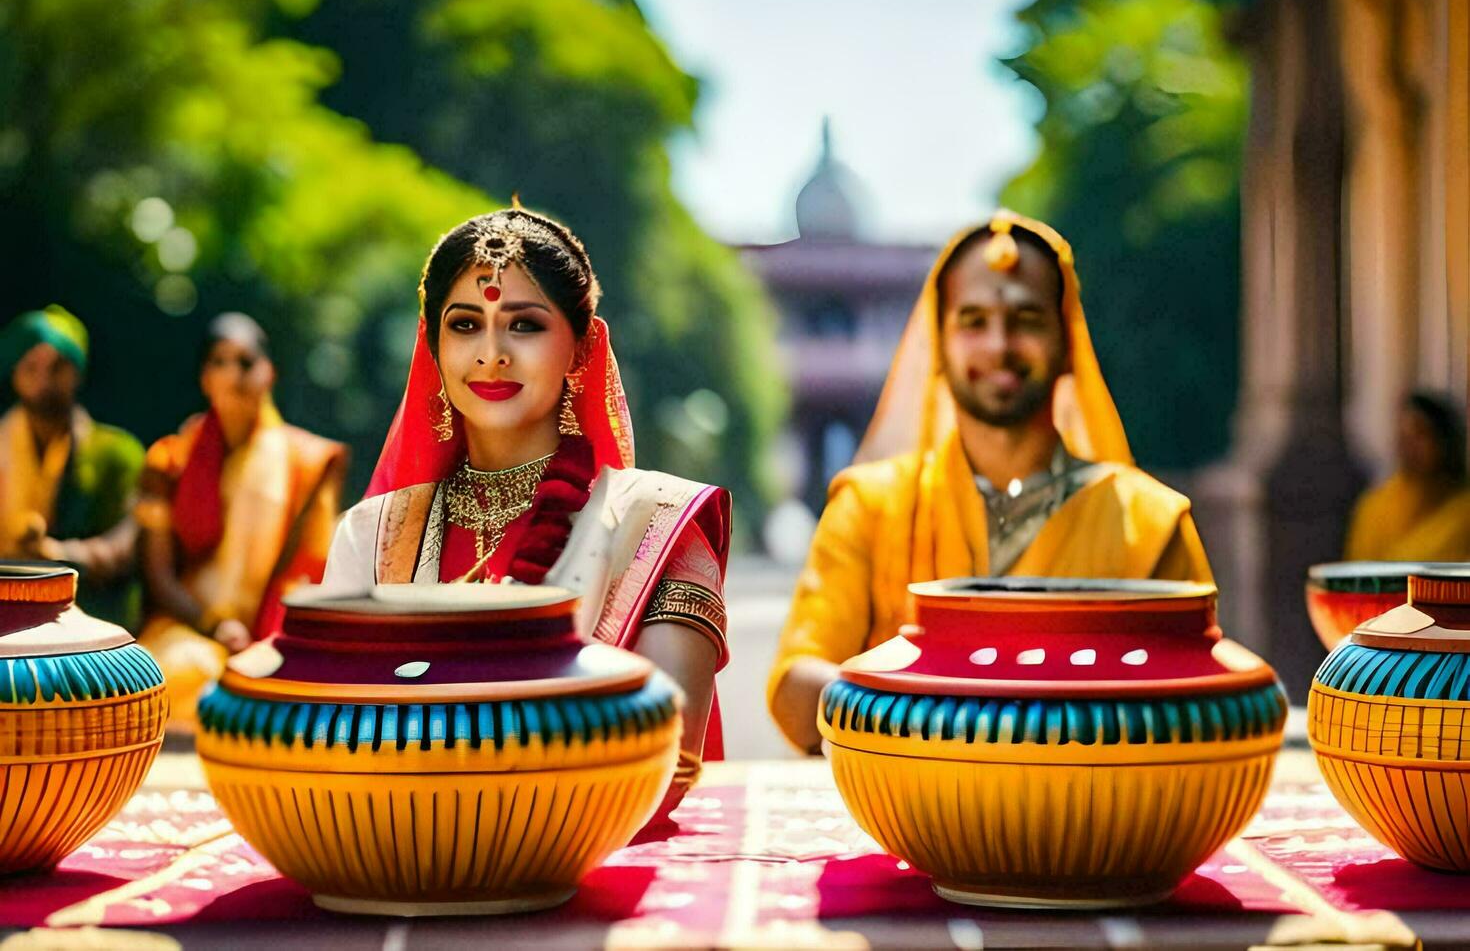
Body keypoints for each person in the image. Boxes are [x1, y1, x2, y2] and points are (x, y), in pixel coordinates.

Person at [322, 207, 731, 818]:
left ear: (581, 347)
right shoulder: (372, 534)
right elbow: (323, 733)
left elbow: (665, 758)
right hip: (396, 850)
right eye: (464, 325)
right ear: (432, 347)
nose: (491, 354)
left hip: (583, 870)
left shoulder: (658, 525)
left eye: (525, 326)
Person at [768, 211, 1213, 753]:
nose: (999, 345)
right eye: (973, 320)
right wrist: (964, 721)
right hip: (908, 821)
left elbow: (1201, 703)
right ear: (938, 343)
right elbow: (795, 689)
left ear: (1069, 340)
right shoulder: (869, 505)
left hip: (1093, 819)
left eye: (1026, 319)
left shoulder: (1151, 522)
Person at [136, 312, 347, 727]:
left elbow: (308, 571)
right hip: (188, 628)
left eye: (246, 362)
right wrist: (214, 625)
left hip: (272, 635)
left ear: (269, 373)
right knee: (173, 677)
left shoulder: (305, 463)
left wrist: (261, 641)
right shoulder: (170, 460)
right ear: (204, 378)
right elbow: (158, 576)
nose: (234, 373)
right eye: (220, 361)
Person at [0, 305, 144, 627]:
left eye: (58, 366)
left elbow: (122, 552)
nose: (44, 378)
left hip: (89, 623)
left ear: (77, 372)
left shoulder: (119, 454)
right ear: (14, 373)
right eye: (31, 365)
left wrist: (48, 553)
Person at [1345, 390, 1470, 561]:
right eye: (1404, 436)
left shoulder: (1463, 511)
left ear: (1445, 440)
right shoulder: (1376, 507)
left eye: (1421, 434)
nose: (1410, 445)